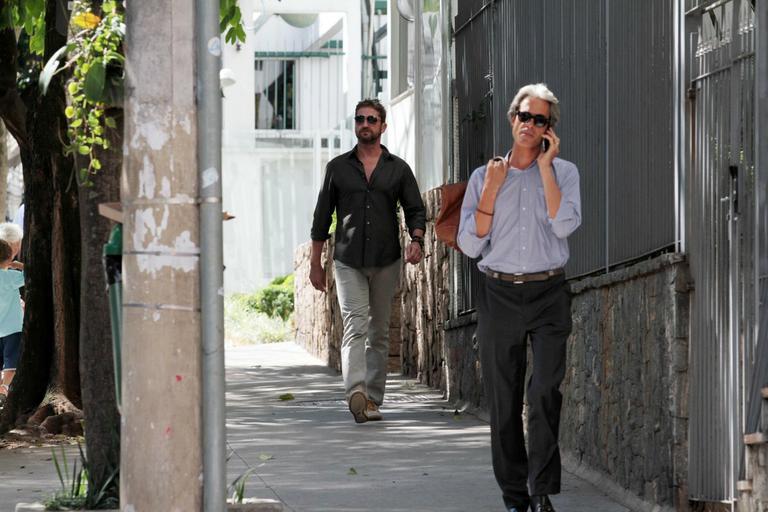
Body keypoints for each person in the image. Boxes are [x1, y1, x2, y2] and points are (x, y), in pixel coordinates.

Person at [457, 83, 581, 512]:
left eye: (540, 119)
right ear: (512, 120)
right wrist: (492, 187)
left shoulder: (564, 173)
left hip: (548, 292)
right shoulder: (483, 176)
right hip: (499, 292)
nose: (530, 125)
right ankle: (515, 497)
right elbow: (471, 246)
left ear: (550, 129)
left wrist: (545, 167)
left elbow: (564, 225)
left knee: (545, 390)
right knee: (504, 400)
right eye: (524, 116)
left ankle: (541, 489)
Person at [310, 98, 426, 424]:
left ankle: (372, 400)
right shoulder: (337, 169)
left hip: (387, 260)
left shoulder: (398, 169)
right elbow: (322, 218)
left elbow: (415, 208)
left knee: (379, 333)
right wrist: (315, 263)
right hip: (348, 260)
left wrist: (416, 240)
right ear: (355, 125)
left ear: (382, 126)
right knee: (355, 326)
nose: (365, 124)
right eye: (360, 119)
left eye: (371, 119)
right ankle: (355, 392)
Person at [0, 238, 24, 407]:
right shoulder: (11, 277)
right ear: (9, 258)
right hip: (12, 328)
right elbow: (32, 274)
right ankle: (4, 387)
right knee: (11, 361)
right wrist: (19, 266)